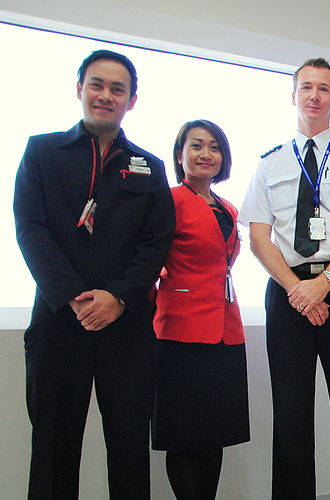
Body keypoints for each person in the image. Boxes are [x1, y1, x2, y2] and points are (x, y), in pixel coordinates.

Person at [13, 49, 175, 499]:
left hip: (126, 327)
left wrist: (118, 298)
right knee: (52, 445)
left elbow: (155, 243)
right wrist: (73, 297)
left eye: (117, 89)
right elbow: (30, 228)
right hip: (58, 322)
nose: (106, 95)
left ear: (132, 100)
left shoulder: (150, 166)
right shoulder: (42, 151)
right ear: (80, 89)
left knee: (127, 447)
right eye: (97, 85)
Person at [238, 58, 330, 500]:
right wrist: (297, 289)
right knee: (292, 411)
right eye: (307, 88)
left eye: (324, 89)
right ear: (294, 96)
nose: (315, 96)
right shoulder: (270, 162)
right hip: (287, 291)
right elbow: (258, 235)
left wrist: (327, 281)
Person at [152, 120, 249, 500]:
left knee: (214, 431)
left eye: (214, 147)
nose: (205, 154)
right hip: (179, 328)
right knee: (182, 433)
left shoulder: (228, 207)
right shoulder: (168, 199)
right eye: (196, 146)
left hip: (225, 328)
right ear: (180, 155)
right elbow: (150, 258)